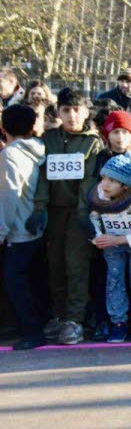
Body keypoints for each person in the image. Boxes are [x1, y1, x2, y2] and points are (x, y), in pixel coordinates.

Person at [33, 88, 104, 345]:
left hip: (78, 213)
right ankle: (60, 315)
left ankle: (75, 319)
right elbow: (41, 176)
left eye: (77, 110)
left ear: (86, 112)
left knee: (76, 266)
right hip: (53, 212)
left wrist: (84, 213)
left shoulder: (93, 143)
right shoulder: (48, 139)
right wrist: (40, 207)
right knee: (55, 265)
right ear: (58, 112)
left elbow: (89, 181)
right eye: (66, 110)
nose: (72, 116)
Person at [87, 155, 131, 343]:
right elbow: (93, 218)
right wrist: (97, 237)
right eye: (104, 178)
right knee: (114, 280)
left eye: (112, 180)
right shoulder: (98, 198)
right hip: (110, 245)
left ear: (125, 186)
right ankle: (118, 323)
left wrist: (121, 239)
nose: (105, 184)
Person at [0, 104, 46, 350]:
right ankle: (34, 326)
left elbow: (9, 197)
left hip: (18, 229)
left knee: (14, 281)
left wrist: (1, 231)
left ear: (3, 128)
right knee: (34, 280)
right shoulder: (39, 149)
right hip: (37, 226)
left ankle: (30, 331)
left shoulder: (9, 155)